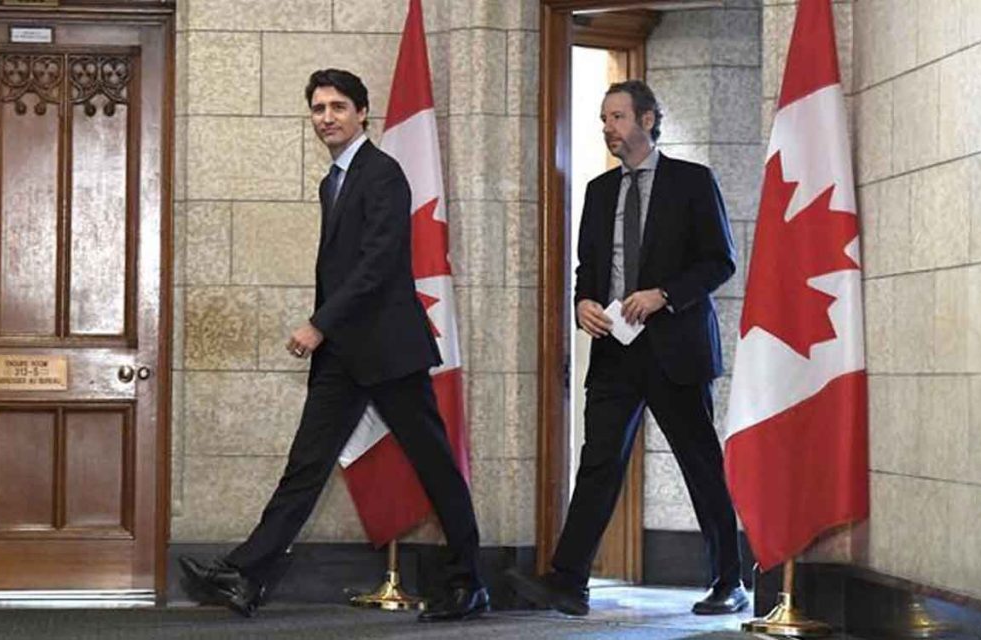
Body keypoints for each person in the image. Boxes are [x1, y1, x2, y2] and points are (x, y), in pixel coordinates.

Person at [179, 68, 488, 623]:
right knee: (306, 466)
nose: (327, 118)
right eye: (319, 108)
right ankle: (248, 577)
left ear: (362, 113)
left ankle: (469, 584)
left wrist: (318, 323)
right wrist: (329, 333)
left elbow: (376, 266)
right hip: (346, 355)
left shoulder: (383, 174)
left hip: (390, 351)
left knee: (435, 466)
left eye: (338, 107)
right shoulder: (334, 180)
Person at [507, 79, 746, 616]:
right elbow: (587, 271)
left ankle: (728, 581)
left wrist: (664, 295)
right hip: (616, 349)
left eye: (616, 117)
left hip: (675, 348)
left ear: (647, 119)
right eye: (604, 118)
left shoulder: (692, 182)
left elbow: (720, 261)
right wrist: (582, 304)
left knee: (699, 463)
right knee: (598, 462)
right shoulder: (597, 191)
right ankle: (568, 581)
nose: (608, 128)